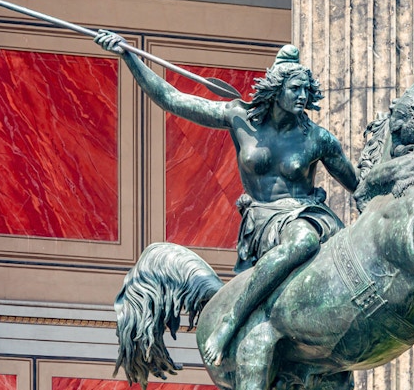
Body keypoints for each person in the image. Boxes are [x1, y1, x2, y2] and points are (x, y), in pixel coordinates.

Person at [95, 31, 359, 366]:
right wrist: (128, 57)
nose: (302, 96)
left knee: (304, 241)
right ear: (277, 90)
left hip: (305, 214)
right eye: (295, 89)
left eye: (307, 90)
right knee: (296, 241)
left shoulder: (319, 139)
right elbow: (172, 99)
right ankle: (235, 319)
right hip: (264, 222)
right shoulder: (239, 119)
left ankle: (231, 320)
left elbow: (357, 185)